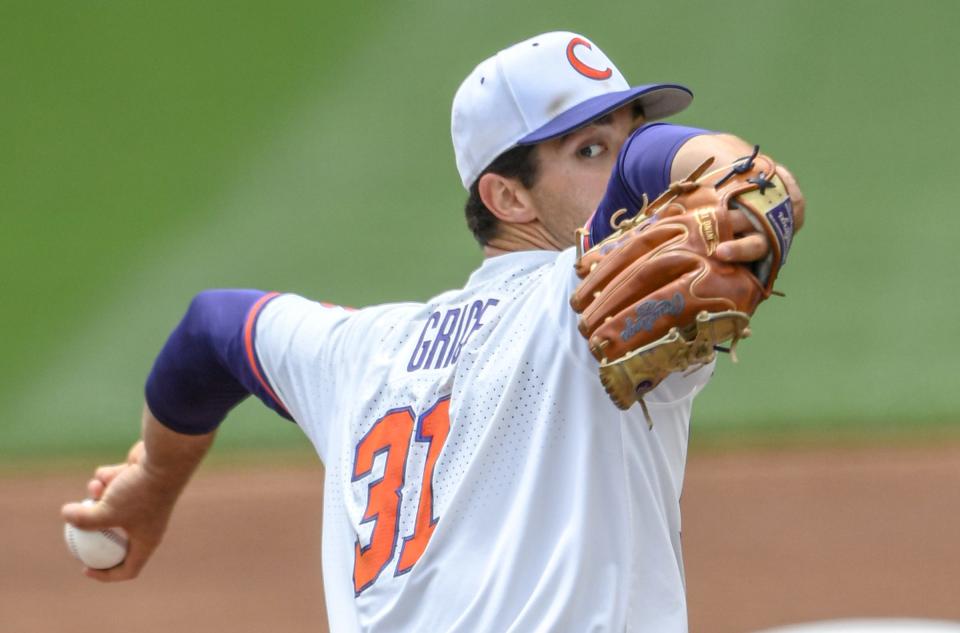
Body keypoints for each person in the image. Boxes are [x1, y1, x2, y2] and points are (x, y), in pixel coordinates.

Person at [63, 31, 804, 631]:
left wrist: (153, 480)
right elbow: (660, 163)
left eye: (624, 139)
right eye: (589, 150)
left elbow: (212, 330)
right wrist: (747, 179)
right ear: (506, 195)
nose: (627, 173)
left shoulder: (363, 351)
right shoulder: (582, 300)